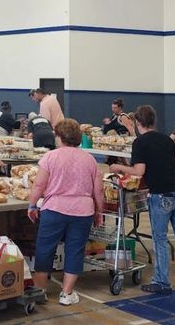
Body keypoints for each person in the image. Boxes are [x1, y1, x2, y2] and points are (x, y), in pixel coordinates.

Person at [110, 105, 175, 295]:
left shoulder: (140, 142)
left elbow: (139, 171)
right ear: (154, 121)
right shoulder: (166, 139)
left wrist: (117, 168)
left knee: (160, 238)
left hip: (161, 193)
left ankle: (162, 281)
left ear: (138, 123)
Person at [28, 118, 103, 305]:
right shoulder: (90, 159)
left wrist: (32, 205)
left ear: (59, 136)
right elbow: (99, 190)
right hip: (83, 211)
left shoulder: (50, 157)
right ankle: (67, 293)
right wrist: (99, 211)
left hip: (54, 209)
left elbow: (39, 184)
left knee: (45, 249)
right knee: (75, 250)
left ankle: (40, 290)